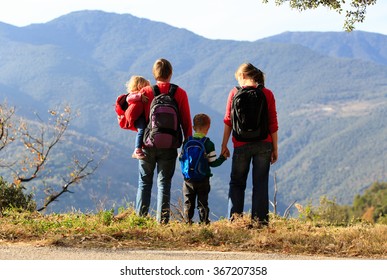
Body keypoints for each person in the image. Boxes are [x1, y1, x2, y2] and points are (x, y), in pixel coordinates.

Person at [135, 58, 192, 224]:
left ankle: (140, 220)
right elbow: (186, 122)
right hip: (169, 145)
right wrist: (186, 144)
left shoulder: (146, 92)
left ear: (154, 74)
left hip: (147, 144)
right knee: (164, 183)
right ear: (171, 73)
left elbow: (137, 118)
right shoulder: (179, 93)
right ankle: (163, 222)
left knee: (144, 182)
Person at [221, 62, 278, 227]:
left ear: (243, 76)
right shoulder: (267, 94)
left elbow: (228, 120)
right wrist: (275, 148)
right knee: (260, 183)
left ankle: (235, 221)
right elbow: (273, 123)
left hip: (241, 144)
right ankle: (260, 222)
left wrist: (224, 144)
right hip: (263, 144)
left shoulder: (234, 93)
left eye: (238, 78)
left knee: (237, 182)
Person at [180, 113, 227, 225]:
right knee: (202, 202)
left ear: (193, 127)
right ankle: (204, 222)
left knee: (188, 202)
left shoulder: (187, 141)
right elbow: (213, 163)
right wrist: (223, 158)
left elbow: (181, 158)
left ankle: (187, 222)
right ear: (208, 127)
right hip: (203, 178)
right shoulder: (209, 144)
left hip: (188, 179)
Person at [124, 75, 150, 160]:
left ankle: (142, 146)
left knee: (144, 130)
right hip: (138, 117)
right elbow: (128, 99)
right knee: (141, 130)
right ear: (139, 86)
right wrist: (139, 96)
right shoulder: (133, 95)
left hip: (142, 115)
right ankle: (137, 149)